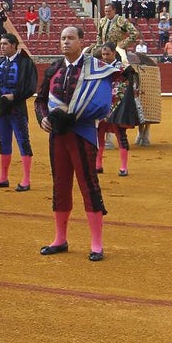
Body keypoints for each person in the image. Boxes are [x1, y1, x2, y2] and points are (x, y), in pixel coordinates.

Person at [34, 25, 117, 262]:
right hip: (58, 135)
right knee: (60, 185)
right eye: (62, 38)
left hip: (82, 135)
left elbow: (102, 103)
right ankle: (60, 239)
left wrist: (76, 116)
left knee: (88, 185)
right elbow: (40, 101)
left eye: (70, 38)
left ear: (81, 41)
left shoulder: (95, 68)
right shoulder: (53, 70)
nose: (65, 42)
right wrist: (43, 119)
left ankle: (97, 243)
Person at [0, 33, 38, 191]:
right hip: (1, 107)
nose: (2, 47)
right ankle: (3, 177)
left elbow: (31, 87)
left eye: (5, 44)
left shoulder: (25, 63)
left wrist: (15, 96)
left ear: (14, 45)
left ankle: (26, 179)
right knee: (3, 141)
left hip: (17, 107)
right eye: (1, 44)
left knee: (23, 141)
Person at [96, 43, 141, 177]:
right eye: (103, 54)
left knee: (120, 135)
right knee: (99, 135)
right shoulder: (100, 67)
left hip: (118, 106)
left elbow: (132, 86)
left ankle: (123, 167)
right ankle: (98, 165)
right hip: (103, 105)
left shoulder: (124, 69)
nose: (105, 57)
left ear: (114, 53)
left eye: (107, 54)